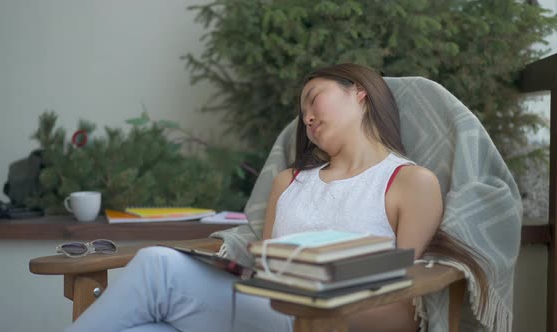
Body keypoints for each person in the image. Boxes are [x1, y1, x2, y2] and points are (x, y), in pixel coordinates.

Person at [66, 63, 487, 332]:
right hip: (266, 310)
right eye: (301, 109)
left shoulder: (409, 181)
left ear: (359, 91)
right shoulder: (290, 181)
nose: (305, 116)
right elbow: (265, 269)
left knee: (158, 265)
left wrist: (319, 307)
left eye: (312, 98)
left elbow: (403, 294)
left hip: (328, 321)